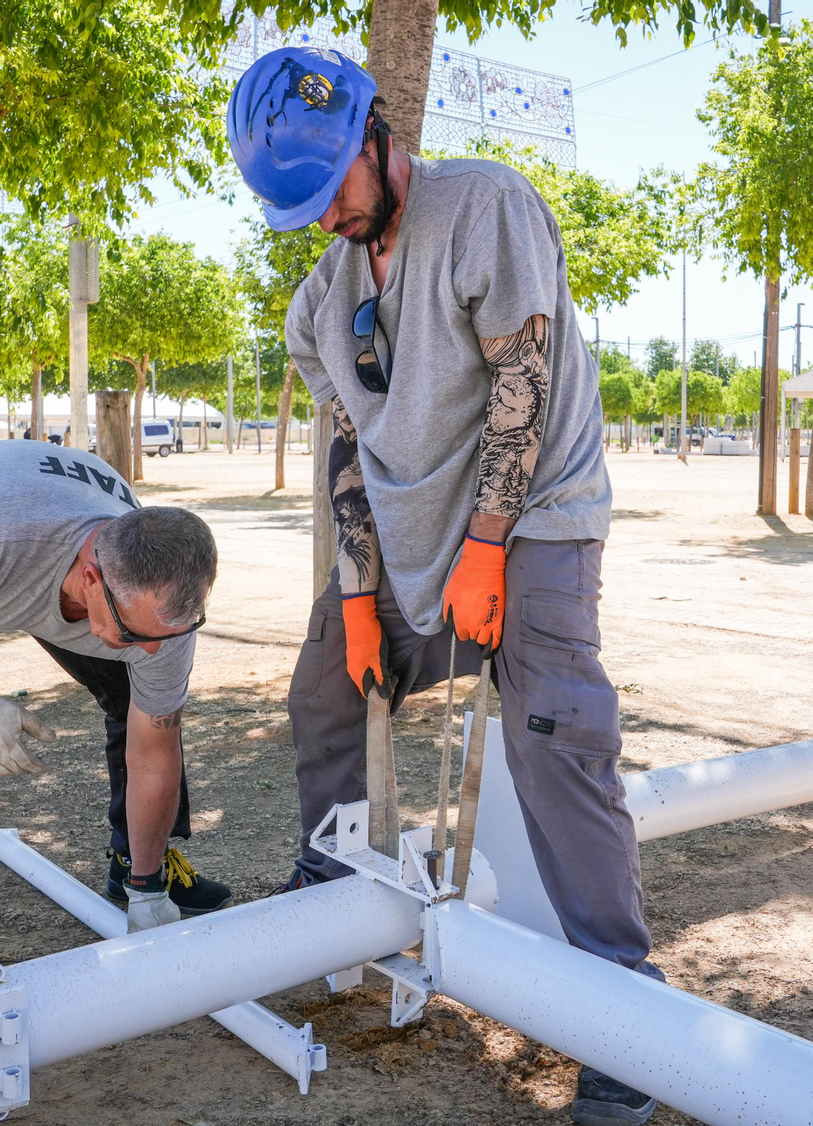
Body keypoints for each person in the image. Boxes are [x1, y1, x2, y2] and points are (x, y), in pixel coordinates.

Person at [228, 47, 663, 1126]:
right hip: (414, 543)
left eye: (332, 192)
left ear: (375, 136)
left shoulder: (483, 207)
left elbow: (525, 382)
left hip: (535, 520)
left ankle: (626, 1009)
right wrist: (355, 599)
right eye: (304, 210)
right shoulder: (318, 305)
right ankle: (337, 894)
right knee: (325, 688)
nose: (328, 219)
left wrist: (485, 548)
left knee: (554, 736)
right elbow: (346, 450)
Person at [0, 439, 231, 1000]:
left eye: (165, 636)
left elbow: (154, 752)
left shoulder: (161, 617)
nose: (153, 651)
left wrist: (148, 887)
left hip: (42, 538)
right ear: (91, 582)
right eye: (135, 633)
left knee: (134, 694)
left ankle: (138, 861)